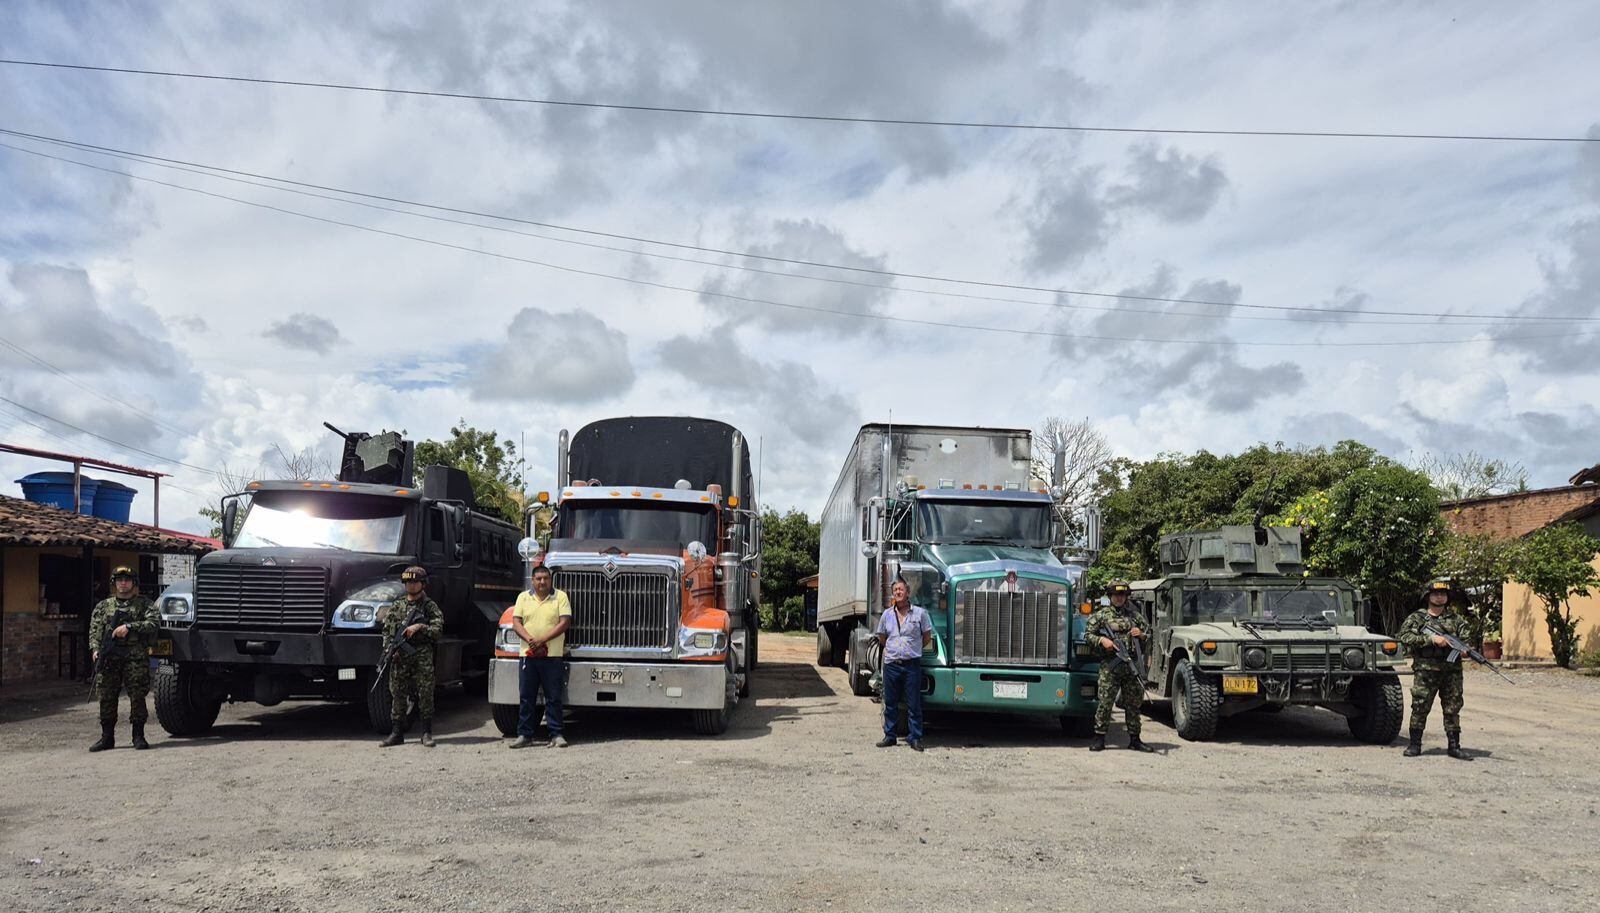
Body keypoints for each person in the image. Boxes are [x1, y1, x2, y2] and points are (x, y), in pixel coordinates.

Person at [1397, 578, 1472, 759]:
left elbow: (1466, 640)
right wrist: (1431, 640)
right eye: (1436, 594)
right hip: (1426, 669)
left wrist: (1465, 651)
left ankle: (1454, 746)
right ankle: (1415, 744)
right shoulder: (1418, 618)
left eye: (1443, 594)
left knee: (1452, 707)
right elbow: (1404, 636)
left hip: (1451, 671)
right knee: (1420, 706)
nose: (1440, 597)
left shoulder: (1456, 620)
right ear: (1428, 596)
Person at [87, 566, 160, 752]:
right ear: (114, 583)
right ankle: (107, 737)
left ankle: (138, 735)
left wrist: (130, 626)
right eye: (119, 579)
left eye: (127, 579)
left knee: (137, 696)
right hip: (110, 657)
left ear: (133, 583)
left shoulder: (144, 604)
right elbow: (95, 630)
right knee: (106, 697)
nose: (123, 583)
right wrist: (95, 650)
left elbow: (153, 623)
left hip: (135, 657)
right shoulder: (103, 606)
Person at [1083, 581, 1154, 752]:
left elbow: (1149, 634)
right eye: (1116, 595)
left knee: (1133, 704)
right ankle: (1099, 738)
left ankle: (1135, 739)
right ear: (1110, 596)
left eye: (1122, 595)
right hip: (1110, 666)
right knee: (1105, 703)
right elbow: (1087, 635)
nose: (1119, 598)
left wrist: (1142, 635)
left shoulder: (1135, 616)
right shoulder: (1101, 616)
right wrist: (1102, 640)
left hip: (1130, 666)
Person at [379, 566, 444, 748]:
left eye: (415, 582)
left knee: (425, 693)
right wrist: (390, 649)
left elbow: (438, 631)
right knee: (397, 693)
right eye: (408, 582)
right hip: (400, 656)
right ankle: (397, 732)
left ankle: (426, 732)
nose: (411, 586)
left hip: (421, 654)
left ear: (423, 584)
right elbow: (387, 630)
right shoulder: (397, 605)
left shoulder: (429, 606)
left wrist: (420, 628)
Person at [509, 564, 572, 749]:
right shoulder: (523, 597)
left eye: (546, 578)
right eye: (539, 578)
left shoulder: (560, 597)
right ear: (533, 580)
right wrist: (530, 640)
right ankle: (524, 735)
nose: (542, 581)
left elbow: (565, 622)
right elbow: (516, 622)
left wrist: (543, 639)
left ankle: (556, 734)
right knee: (526, 697)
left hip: (552, 656)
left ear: (550, 580)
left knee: (554, 697)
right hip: (527, 656)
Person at [874, 578, 933, 752]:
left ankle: (915, 737)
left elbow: (927, 637)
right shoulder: (887, 615)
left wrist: (912, 650)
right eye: (895, 590)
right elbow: (882, 637)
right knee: (890, 702)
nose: (898, 592)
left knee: (914, 703)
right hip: (892, 664)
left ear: (908, 592)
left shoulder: (920, 614)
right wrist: (894, 650)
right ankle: (890, 736)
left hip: (911, 665)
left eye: (901, 589)